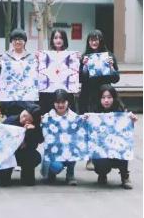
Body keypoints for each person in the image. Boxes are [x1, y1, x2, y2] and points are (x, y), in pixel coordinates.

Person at [79, 29, 120, 171]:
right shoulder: (84, 57)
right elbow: (79, 78)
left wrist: (111, 66)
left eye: (96, 39)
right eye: (91, 39)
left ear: (101, 41)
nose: (94, 42)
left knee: (104, 126)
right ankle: (90, 158)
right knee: (90, 127)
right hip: (88, 96)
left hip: (104, 95)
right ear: (88, 41)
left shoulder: (109, 56)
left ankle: (104, 155)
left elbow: (116, 78)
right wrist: (84, 66)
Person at [85, 84, 137, 189]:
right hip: (102, 148)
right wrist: (86, 120)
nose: (106, 100)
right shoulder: (94, 111)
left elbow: (126, 132)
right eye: (103, 97)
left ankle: (125, 176)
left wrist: (131, 119)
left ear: (114, 98)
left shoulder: (121, 111)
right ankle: (102, 174)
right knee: (100, 163)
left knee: (123, 148)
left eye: (109, 97)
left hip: (116, 146)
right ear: (99, 99)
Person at [0, 106, 43, 186]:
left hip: (24, 154)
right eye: (24, 115)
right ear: (23, 111)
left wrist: (33, 131)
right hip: (8, 153)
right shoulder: (10, 121)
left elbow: (40, 140)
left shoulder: (34, 125)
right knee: (4, 183)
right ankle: (5, 175)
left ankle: (26, 177)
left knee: (34, 157)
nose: (24, 119)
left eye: (28, 120)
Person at [42, 89, 79, 186]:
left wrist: (84, 120)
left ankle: (70, 174)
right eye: (57, 102)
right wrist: (40, 122)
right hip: (53, 152)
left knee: (74, 148)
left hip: (68, 150)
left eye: (63, 102)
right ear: (53, 103)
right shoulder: (47, 117)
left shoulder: (75, 117)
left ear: (68, 102)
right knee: (56, 167)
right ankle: (51, 172)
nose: (60, 105)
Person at [0, 29, 37, 116]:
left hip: (26, 96)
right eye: (14, 39)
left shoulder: (31, 57)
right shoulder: (5, 57)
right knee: (11, 118)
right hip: (9, 96)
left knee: (26, 117)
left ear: (25, 41)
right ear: (11, 41)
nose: (17, 42)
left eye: (20, 39)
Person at [38, 28, 70, 115]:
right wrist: (38, 61)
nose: (58, 40)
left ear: (64, 40)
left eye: (61, 38)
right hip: (49, 93)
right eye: (55, 38)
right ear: (52, 40)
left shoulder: (71, 56)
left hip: (65, 92)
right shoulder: (46, 56)